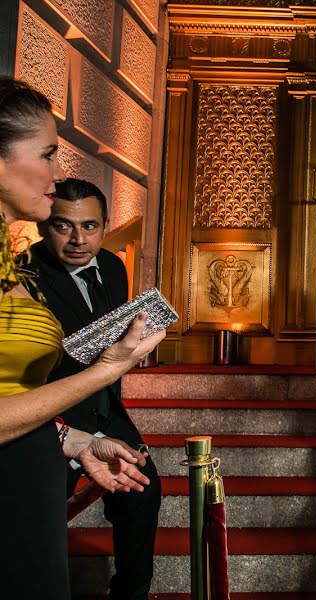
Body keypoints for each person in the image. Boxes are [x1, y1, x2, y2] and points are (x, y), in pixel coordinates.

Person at [0, 78, 164, 599]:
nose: (56, 172)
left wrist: (74, 442)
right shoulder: (27, 264)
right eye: (47, 154)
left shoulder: (108, 268)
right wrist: (106, 368)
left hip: (43, 449)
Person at [27, 177, 161, 600]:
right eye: (63, 226)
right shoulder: (23, 275)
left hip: (105, 407)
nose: (77, 239)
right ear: (43, 226)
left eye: (89, 226)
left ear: (105, 226)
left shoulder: (114, 266)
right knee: (40, 520)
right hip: (51, 416)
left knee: (144, 489)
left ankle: (131, 592)